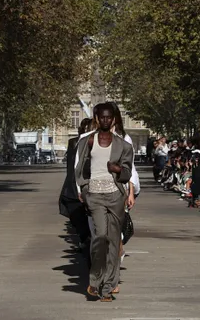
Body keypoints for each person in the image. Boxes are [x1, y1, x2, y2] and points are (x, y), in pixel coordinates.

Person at [75, 102, 135, 302]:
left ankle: (108, 287)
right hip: (95, 195)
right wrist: (84, 189)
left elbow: (128, 173)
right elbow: (80, 169)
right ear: (97, 118)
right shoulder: (87, 142)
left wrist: (118, 170)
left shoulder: (124, 145)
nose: (106, 120)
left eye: (110, 117)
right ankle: (95, 281)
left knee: (113, 241)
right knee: (100, 237)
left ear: (114, 119)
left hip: (115, 195)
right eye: (103, 117)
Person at [60, 118, 94, 254]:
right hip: (74, 183)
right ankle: (84, 237)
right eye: (84, 128)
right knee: (75, 211)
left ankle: (87, 238)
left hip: (91, 182)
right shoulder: (74, 142)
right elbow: (71, 165)